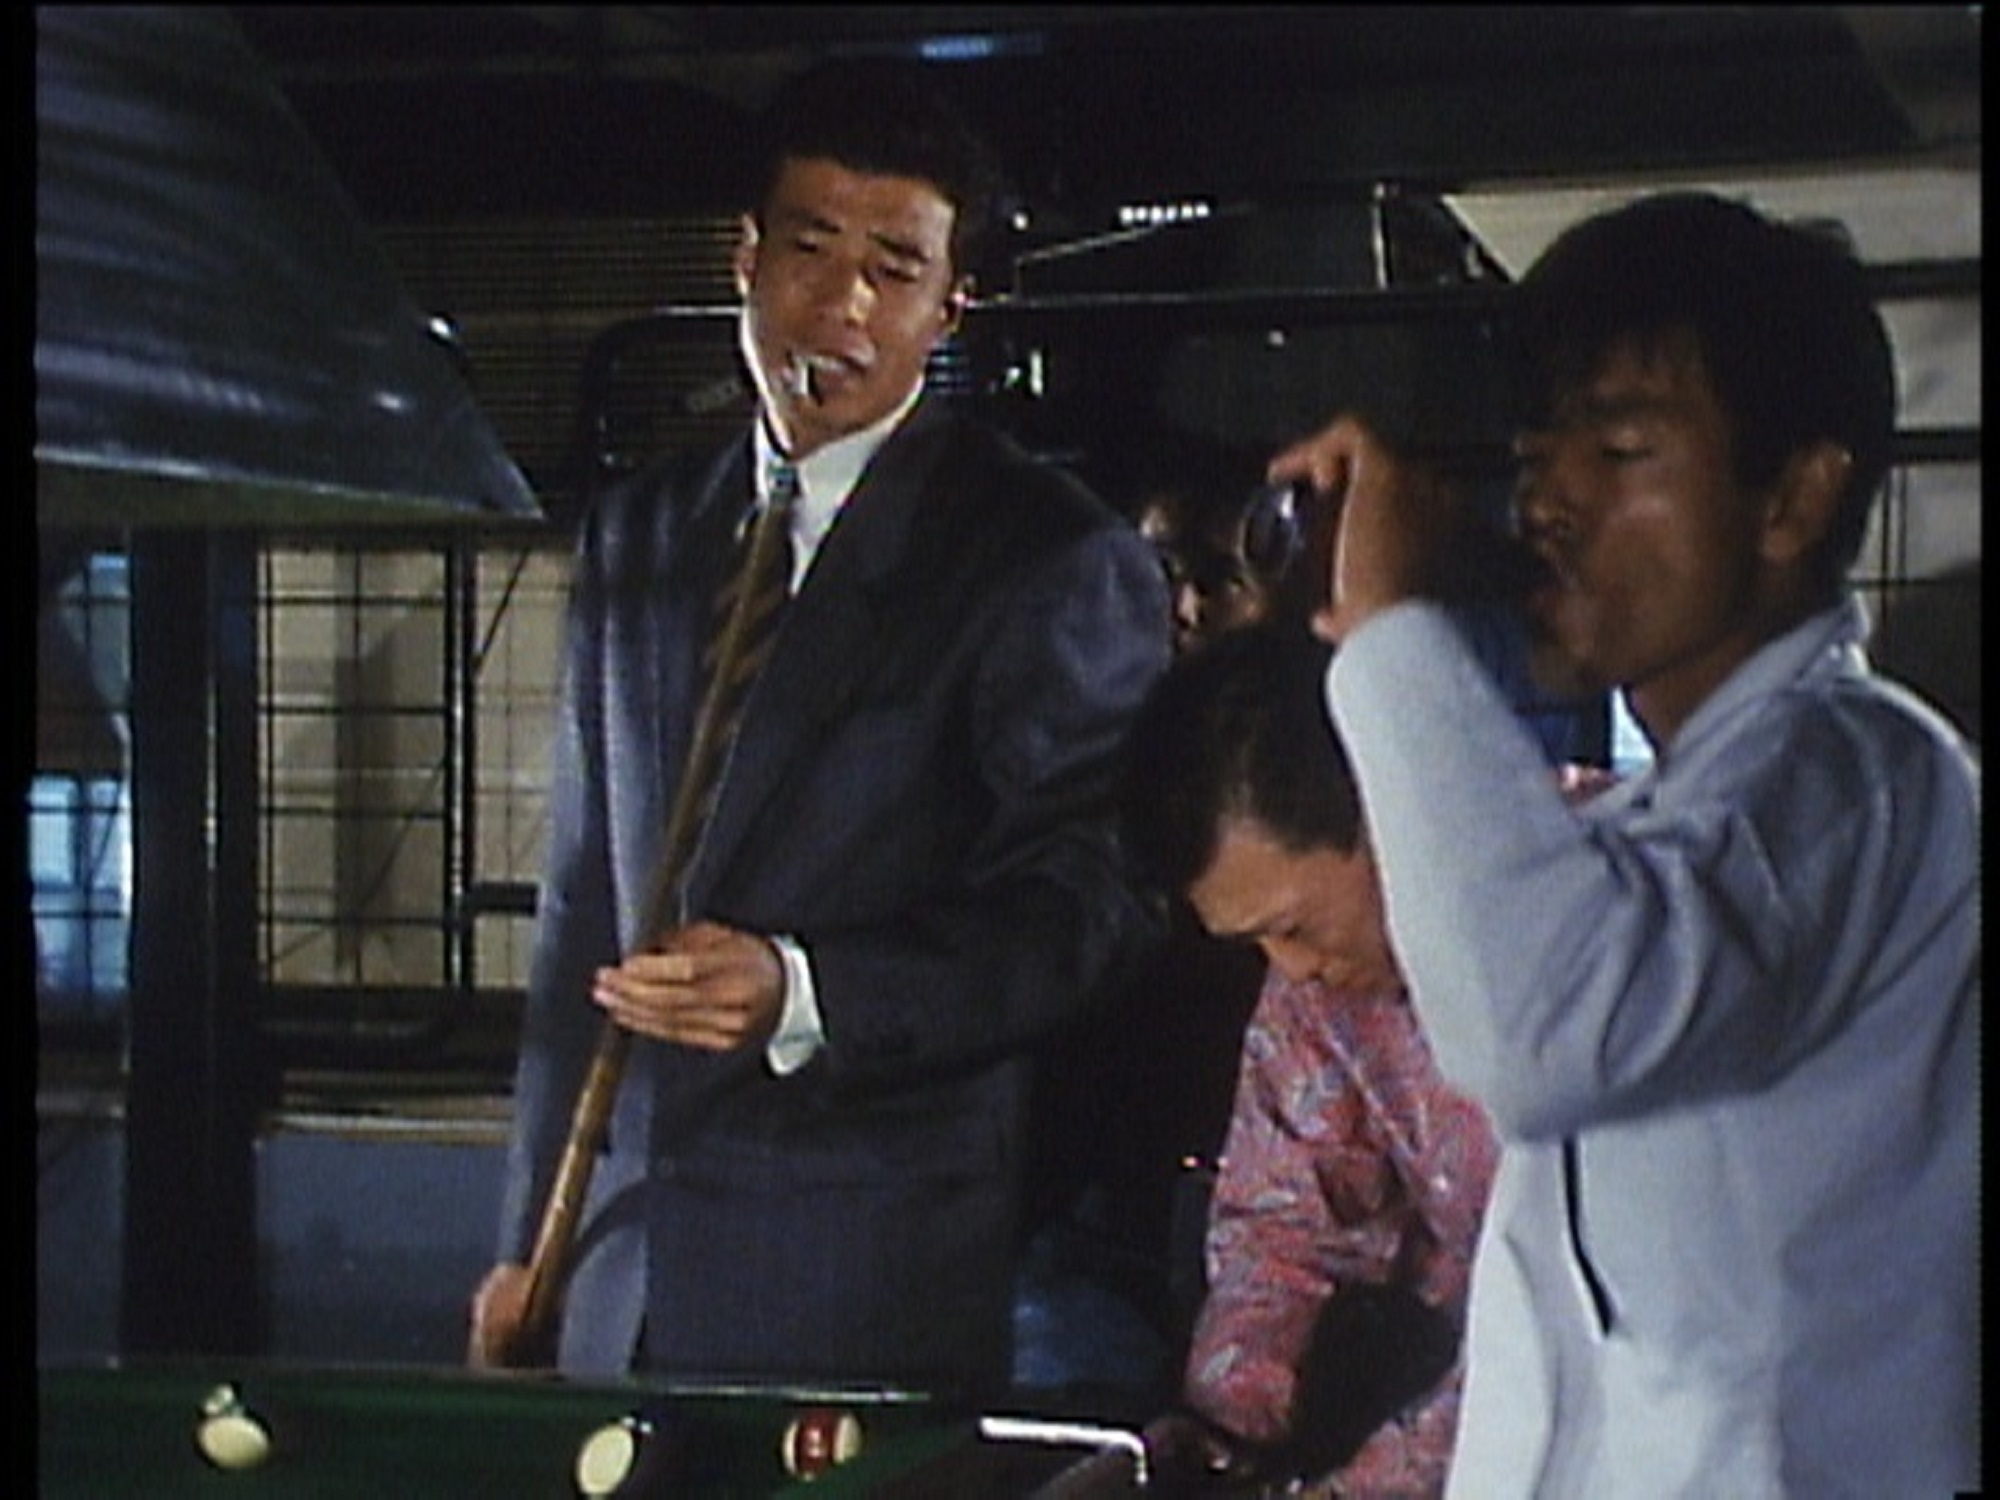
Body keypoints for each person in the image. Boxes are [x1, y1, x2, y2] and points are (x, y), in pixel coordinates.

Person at [468, 60, 1172, 1401]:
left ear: (951, 304)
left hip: (865, 1270)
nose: (843, 305)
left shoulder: (1045, 555)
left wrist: (806, 991)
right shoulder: (638, 534)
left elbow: (1094, 902)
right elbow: (580, 910)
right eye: (809, 250)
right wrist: (527, 1246)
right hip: (613, 1267)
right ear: (743, 257)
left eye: (894, 269)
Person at [1276, 191, 1979, 1495]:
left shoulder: (1857, 773)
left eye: (1619, 450)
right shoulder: (1679, 816)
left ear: (1792, 497)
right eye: (1538, 451)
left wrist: (1394, 637)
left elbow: (1546, 1027)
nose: (1547, 501)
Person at [1120, 624, 1502, 1498]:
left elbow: (1583, 1314)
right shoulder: (1313, 993)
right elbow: (1284, 1231)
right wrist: (1224, 1442)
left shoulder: (1600, 916)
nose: (1290, 971)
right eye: (1256, 941)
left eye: (1294, 927)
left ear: (1384, 807)